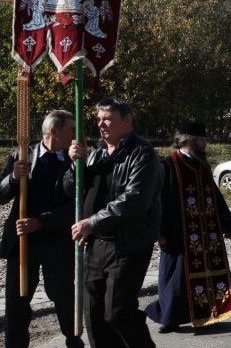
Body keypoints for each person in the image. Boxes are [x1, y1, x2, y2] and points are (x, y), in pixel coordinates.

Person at [69, 98, 161, 347]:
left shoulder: (143, 153)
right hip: (96, 243)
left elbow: (135, 199)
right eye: (98, 119)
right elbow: (70, 190)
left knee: (118, 312)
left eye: (107, 118)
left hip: (128, 243)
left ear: (127, 121)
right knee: (94, 315)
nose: (101, 124)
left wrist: (92, 222)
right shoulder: (95, 154)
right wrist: (74, 164)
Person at [1, 110, 83, 348]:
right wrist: (13, 178)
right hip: (23, 243)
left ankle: (73, 340)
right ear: (55, 131)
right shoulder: (22, 155)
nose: (76, 136)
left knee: (64, 298)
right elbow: (1, 194)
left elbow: (77, 205)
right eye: (71, 129)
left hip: (57, 243)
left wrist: (42, 221)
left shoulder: (74, 162)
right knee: (17, 304)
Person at [146, 122, 231, 333]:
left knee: (205, 278)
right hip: (177, 234)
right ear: (189, 141)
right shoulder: (169, 165)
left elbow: (216, 197)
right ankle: (169, 318)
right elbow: (158, 201)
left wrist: (226, 223)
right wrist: (159, 232)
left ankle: (206, 314)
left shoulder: (202, 165)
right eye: (202, 140)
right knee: (175, 279)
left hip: (207, 235)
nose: (205, 144)